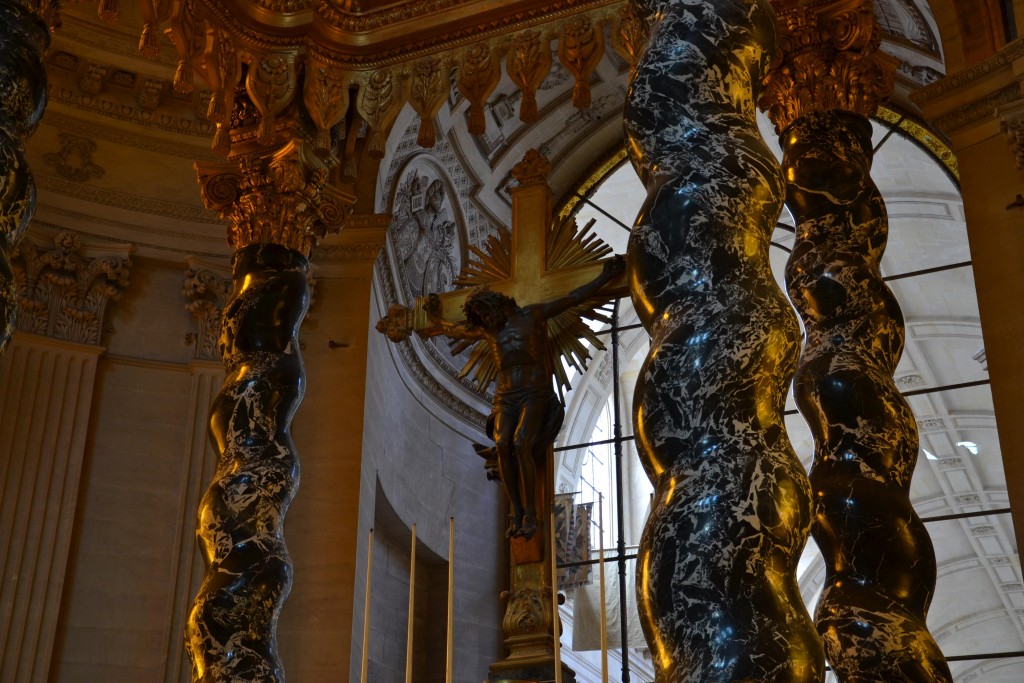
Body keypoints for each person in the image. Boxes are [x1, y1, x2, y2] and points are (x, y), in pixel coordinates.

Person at [425, 255, 625, 539]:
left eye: (485, 312)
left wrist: (604, 278)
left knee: (521, 443)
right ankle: (517, 511)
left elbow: (573, 297)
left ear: (496, 304)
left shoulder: (533, 315)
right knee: (501, 443)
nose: (484, 320)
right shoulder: (488, 330)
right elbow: (454, 329)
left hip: (534, 391)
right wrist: (434, 318)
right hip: (505, 395)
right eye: (480, 317)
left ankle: (530, 512)